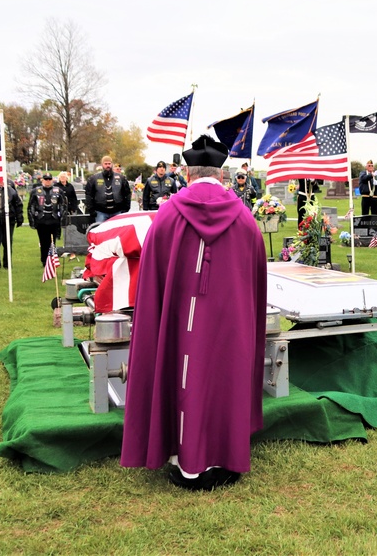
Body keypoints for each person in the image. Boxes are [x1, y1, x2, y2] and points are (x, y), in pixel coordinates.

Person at [121, 134, 267, 491]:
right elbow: (256, 274)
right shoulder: (244, 218)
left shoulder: (169, 213)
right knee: (225, 378)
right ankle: (224, 457)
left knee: (183, 374)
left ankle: (185, 464)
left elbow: (152, 273)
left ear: (187, 173)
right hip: (229, 321)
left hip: (177, 320)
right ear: (221, 174)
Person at [28, 173, 68, 265]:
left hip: (53, 220)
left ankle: (52, 260)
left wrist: (62, 218)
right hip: (41, 220)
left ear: (52, 180)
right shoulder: (36, 191)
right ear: (43, 180)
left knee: (52, 242)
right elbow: (31, 206)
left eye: (49, 179)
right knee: (43, 241)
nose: (48, 181)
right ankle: (44, 260)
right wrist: (32, 220)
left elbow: (63, 205)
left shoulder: (58, 191)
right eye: (46, 179)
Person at [85, 156, 131, 223]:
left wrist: (126, 208)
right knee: (101, 231)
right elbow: (88, 195)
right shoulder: (94, 178)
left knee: (117, 232)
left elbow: (127, 193)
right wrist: (91, 210)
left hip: (117, 211)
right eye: (105, 164)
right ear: (102, 165)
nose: (108, 166)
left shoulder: (121, 178)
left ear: (112, 164)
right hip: (100, 212)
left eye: (109, 164)